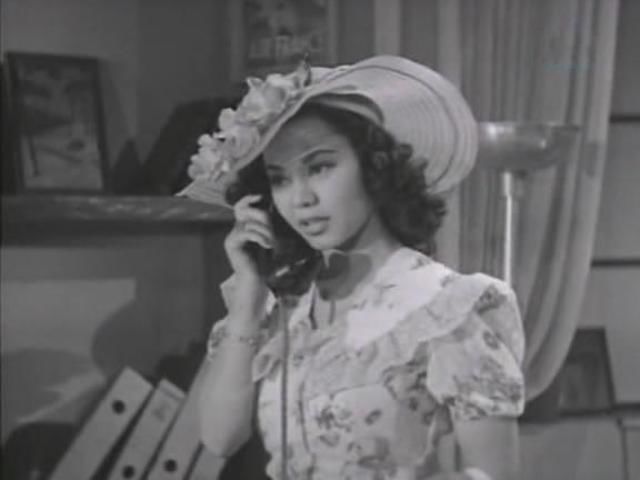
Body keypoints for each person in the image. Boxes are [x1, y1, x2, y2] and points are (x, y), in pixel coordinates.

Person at [178, 55, 525, 480]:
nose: (301, 198)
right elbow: (219, 438)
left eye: (320, 167)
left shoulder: (448, 306)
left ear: (375, 167)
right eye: (280, 179)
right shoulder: (279, 309)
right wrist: (249, 299)